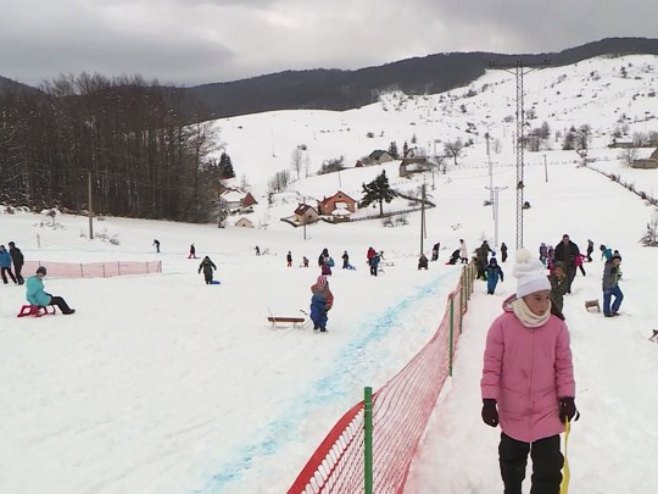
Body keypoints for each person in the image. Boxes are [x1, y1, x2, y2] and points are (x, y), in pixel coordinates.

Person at [481, 249, 577, 494]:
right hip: (513, 408)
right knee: (511, 462)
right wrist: (489, 401)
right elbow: (492, 367)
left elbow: (564, 365)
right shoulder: (501, 327)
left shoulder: (556, 327)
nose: (544, 304)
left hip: (548, 409)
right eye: (537, 298)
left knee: (548, 468)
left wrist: (567, 397)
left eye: (547, 297)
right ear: (522, 297)